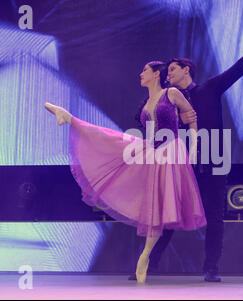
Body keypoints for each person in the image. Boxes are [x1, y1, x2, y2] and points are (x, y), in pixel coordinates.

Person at [133, 32, 243, 282]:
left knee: (215, 217)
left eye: (172, 69)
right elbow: (148, 118)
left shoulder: (210, 88)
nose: (168, 74)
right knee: (168, 213)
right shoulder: (170, 99)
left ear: (187, 70)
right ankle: (150, 265)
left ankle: (211, 269)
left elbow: (239, 67)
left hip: (213, 163)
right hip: (183, 165)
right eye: (167, 71)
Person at [44, 61, 206, 283]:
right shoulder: (146, 104)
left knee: (158, 207)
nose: (140, 74)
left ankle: (144, 257)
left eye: (144, 71)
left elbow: (190, 116)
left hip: (171, 151)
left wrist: (195, 147)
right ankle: (70, 118)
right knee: (111, 140)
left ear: (155, 74)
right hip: (151, 151)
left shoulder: (172, 93)